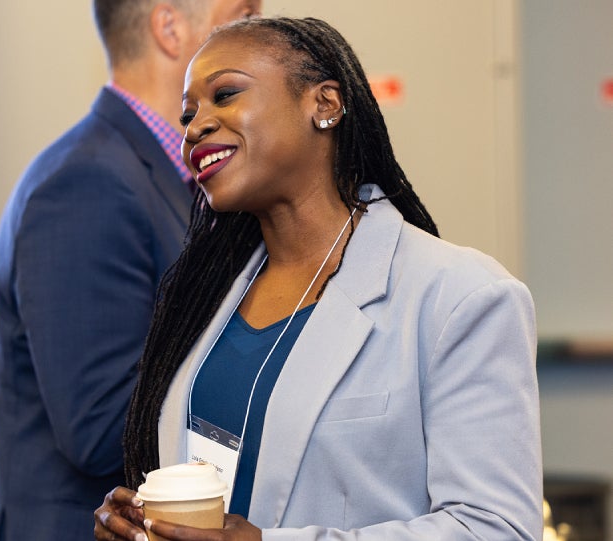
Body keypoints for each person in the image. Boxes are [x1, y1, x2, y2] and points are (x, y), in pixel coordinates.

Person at [94, 16, 542, 541]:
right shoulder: (205, 296)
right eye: (188, 112)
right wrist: (143, 522)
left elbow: (496, 529)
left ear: (324, 105)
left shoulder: (462, 297)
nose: (195, 126)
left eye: (226, 95)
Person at [0, 1, 262, 539]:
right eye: (242, 13)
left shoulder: (167, 175)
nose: (262, 33)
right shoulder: (86, 185)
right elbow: (101, 427)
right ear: (170, 27)